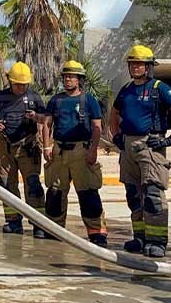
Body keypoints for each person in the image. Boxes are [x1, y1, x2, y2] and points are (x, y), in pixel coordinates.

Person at [109, 45, 171, 258]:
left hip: (150, 146)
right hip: (128, 147)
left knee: (153, 194)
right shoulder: (126, 89)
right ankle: (140, 237)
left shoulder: (159, 88)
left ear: (148, 66)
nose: (135, 67)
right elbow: (114, 113)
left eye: (140, 64)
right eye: (132, 63)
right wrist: (116, 135)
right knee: (133, 195)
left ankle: (157, 241)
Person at [41, 61, 108, 247]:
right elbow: (47, 124)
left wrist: (93, 150)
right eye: (65, 76)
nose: (68, 79)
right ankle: (54, 230)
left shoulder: (89, 100)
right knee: (55, 193)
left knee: (88, 193)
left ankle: (97, 232)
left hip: (82, 151)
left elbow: (97, 126)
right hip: (59, 151)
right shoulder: (56, 100)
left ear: (80, 80)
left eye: (72, 76)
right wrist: (46, 147)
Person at [0, 61, 47, 238]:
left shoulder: (34, 97)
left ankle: (39, 223)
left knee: (33, 184)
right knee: (7, 184)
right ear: (10, 81)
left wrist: (36, 116)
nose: (21, 88)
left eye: (24, 85)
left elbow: (46, 119)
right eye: (17, 85)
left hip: (27, 145)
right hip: (5, 146)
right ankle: (13, 221)